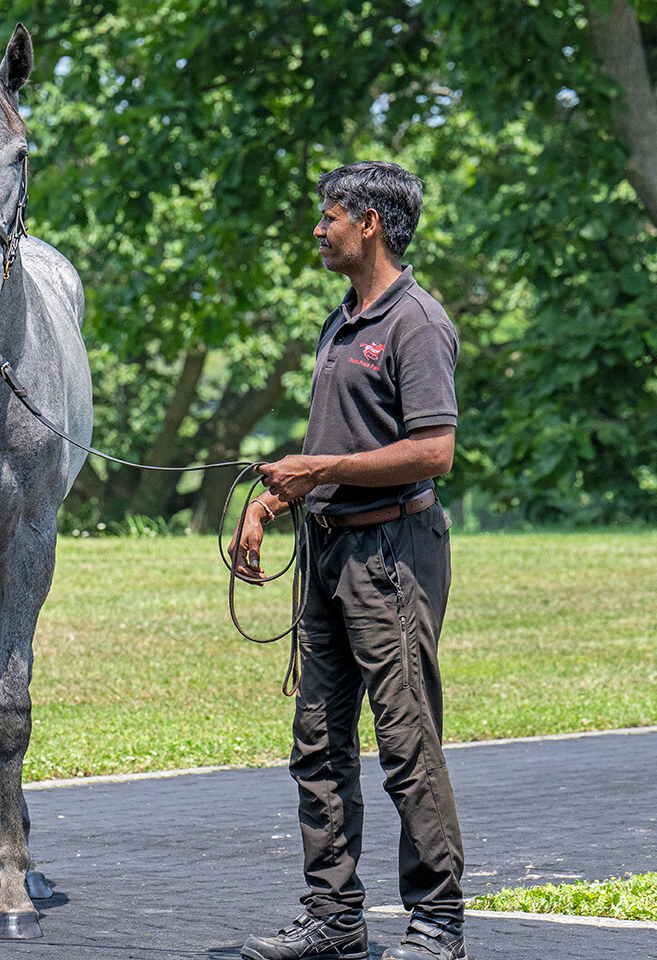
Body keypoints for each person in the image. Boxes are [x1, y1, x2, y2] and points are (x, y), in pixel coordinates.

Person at [231, 161, 468, 960]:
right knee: (318, 745)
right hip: (328, 552)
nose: (317, 228)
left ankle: (438, 924)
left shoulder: (416, 322)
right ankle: (334, 921)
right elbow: (334, 448)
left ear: (368, 221)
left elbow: (434, 451)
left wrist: (318, 471)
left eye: (328, 215)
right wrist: (269, 505)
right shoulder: (342, 321)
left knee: (406, 742)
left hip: (392, 554)